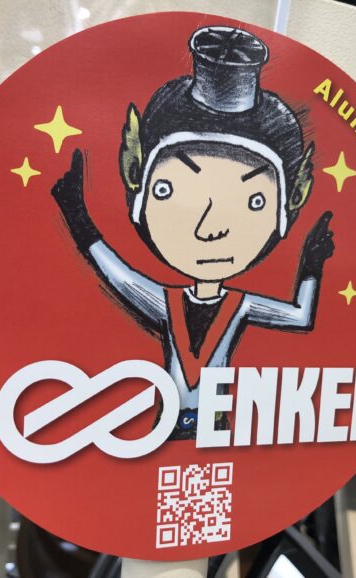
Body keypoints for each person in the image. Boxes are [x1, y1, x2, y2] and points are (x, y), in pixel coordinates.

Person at [52, 25, 334, 440]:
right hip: (167, 431)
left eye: (254, 201)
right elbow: (118, 276)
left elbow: (301, 317)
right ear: (138, 181)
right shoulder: (164, 302)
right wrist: (77, 217)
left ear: (285, 208)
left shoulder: (238, 305)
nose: (210, 228)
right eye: (171, 190)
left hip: (216, 430)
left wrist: (311, 265)